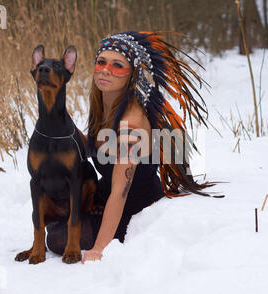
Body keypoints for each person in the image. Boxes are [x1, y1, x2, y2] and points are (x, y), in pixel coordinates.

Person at [46, 31, 224, 263]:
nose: (106, 69)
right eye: (101, 62)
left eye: (117, 65)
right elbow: (94, 147)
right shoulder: (104, 107)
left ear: (132, 75)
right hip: (104, 195)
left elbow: (120, 193)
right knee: (54, 215)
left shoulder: (130, 124)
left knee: (57, 238)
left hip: (132, 207)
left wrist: (99, 248)